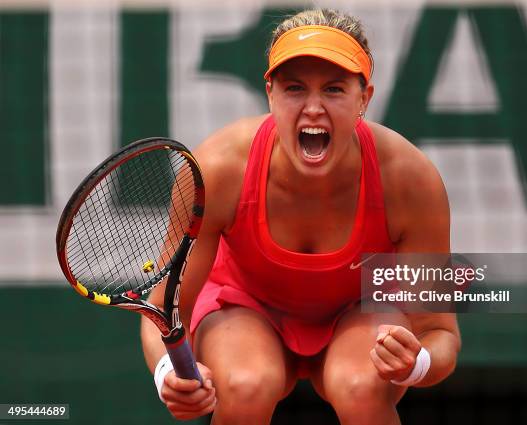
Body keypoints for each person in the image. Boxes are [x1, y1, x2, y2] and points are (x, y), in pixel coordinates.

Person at [141, 8, 461, 425]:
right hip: (243, 307)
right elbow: (163, 307)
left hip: (360, 308)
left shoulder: (410, 179)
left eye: (333, 89)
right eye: (294, 89)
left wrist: (416, 363)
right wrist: (169, 373)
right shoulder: (217, 169)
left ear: (364, 97)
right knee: (244, 384)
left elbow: (441, 334)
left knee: (362, 387)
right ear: (270, 92)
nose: (313, 107)